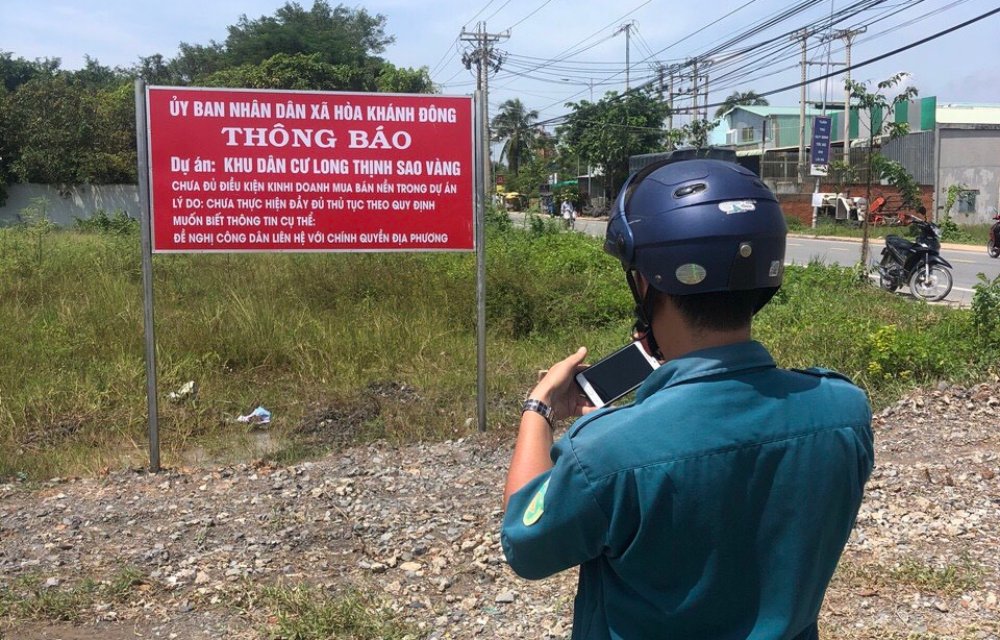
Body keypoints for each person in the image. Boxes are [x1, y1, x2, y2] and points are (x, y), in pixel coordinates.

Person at [501, 158, 875, 639]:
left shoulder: (602, 454)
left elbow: (524, 544)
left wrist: (539, 408)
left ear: (645, 282)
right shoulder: (844, 411)